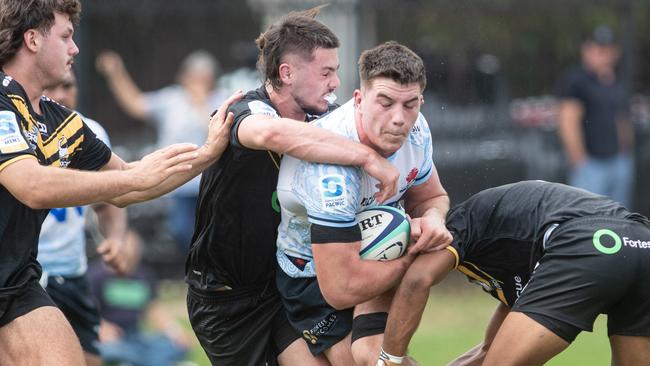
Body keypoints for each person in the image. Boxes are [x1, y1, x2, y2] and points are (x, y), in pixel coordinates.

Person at [0, 1, 239, 364]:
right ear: (32, 39)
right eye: (65, 36)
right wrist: (134, 178)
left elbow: (131, 182)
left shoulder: (63, 124)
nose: (75, 48)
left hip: (15, 283)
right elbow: (30, 186)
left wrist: (208, 155)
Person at [184, 6, 403, 366]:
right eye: (326, 72)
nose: (335, 82)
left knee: (351, 359)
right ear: (286, 73)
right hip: (225, 300)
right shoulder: (243, 111)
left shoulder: (325, 119)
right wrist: (366, 158)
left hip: (285, 282)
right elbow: (271, 133)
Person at [275, 41, 452, 366]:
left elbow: (431, 197)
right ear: (359, 99)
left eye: (410, 104)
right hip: (313, 274)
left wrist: (433, 220)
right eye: (385, 103)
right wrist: (408, 256)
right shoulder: (331, 173)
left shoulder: (417, 130)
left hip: (376, 254)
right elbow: (341, 288)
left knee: (378, 360)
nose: (399, 118)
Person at [378, 180, 650, 366]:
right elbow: (488, 350)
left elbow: (417, 281)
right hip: (641, 241)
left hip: (588, 241)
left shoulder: (458, 225)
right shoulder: (510, 254)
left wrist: (388, 360)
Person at [39, 70, 129, 366]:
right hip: (25, 276)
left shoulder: (90, 132)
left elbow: (110, 200)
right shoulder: (18, 132)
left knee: (90, 359)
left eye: (68, 86)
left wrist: (115, 239)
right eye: (52, 87)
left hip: (72, 274)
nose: (62, 95)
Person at [96, 48, 226, 252]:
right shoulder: (172, 99)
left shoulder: (220, 100)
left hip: (208, 183)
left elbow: (216, 133)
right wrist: (116, 73)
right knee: (181, 231)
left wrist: (201, 104)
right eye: (193, 77)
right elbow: (136, 104)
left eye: (204, 78)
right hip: (176, 183)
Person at [557, 25, 634, 208]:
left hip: (617, 160)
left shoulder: (615, 81)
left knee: (620, 218)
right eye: (597, 50)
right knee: (590, 219)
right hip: (591, 165)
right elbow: (567, 121)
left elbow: (621, 117)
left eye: (606, 51)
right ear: (587, 50)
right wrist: (580, 160)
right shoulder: (576, 80)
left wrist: (625, 151)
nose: (602, 55)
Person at [88, 230, 191, 366]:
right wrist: (101, 327)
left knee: (173, 346)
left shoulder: (144, 275)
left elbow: (153, 309)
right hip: (113, 338)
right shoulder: (95, 276)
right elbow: (86, 311)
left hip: (137, 336)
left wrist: (175, 332)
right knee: (110, 351)